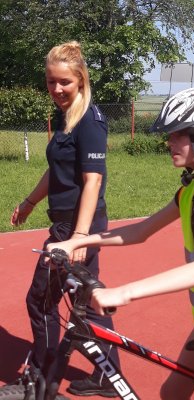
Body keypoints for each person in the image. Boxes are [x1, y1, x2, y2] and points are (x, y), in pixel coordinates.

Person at [47, 86, 194, 400]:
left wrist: (124, 292)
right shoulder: (192, 191)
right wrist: (77, 242)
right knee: (171, 394)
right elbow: (139, 231)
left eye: (180, 134)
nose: (169, 141)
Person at [11, 41, 119, 398]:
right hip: (68, 226)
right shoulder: (66, 115)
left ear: (81, 80)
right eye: (51, 82)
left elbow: (93, 180)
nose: (56, 89)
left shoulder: (89, 120)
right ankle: (108, 376)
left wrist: (79, 236)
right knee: (85, 299)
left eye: (64, 83)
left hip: (75, 228)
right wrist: (28, 202)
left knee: (40, 301)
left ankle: (40, 378)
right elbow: (56, 170)